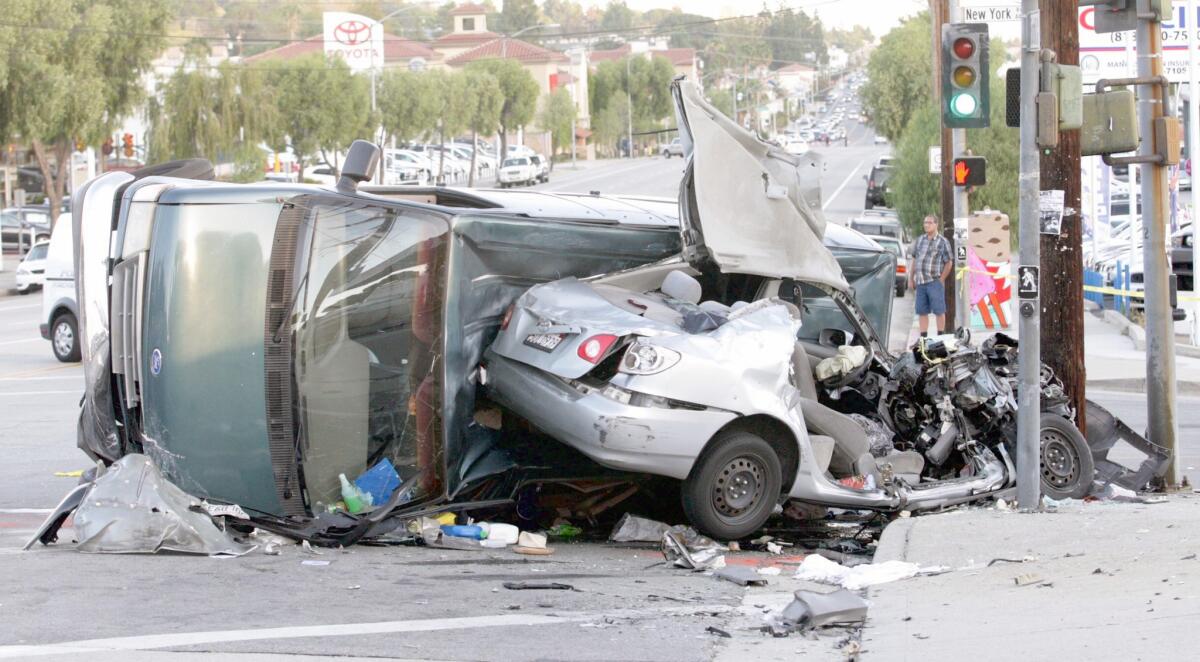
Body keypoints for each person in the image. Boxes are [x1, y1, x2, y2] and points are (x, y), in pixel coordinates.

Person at [908, 214, 953, 337]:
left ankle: (940, 336)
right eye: (925, 223)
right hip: (920, 282)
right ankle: (923, 338)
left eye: (929, 222)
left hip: (934, 281)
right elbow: (914, 260)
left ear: (936, 224)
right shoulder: (920, 240)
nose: (926, 225)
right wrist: (911, 278)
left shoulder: (942, 242)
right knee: (922, 311)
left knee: (939, 310)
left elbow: (949, 262)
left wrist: (942, 279)